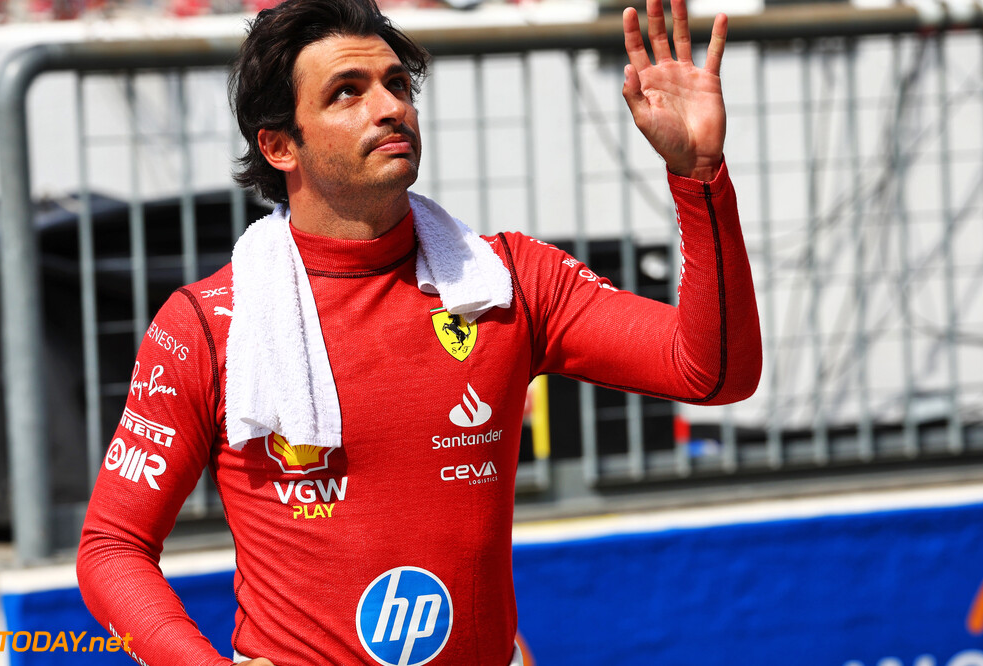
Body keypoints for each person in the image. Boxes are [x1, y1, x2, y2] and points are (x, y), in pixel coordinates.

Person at [76, 0, 761, 662]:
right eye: (347, 91)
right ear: (280, 145)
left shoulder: (508, 279)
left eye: (397, 84)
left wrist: (697, 177)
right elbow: (111, 546)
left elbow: (715, 373)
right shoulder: (205, 322)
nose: (390, 106)